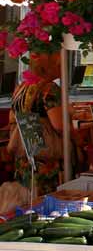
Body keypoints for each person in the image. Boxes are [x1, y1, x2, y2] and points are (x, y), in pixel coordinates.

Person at [7, 53, 65, 194]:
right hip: (46, 158)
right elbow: (59, 125)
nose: (62, 67)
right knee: (46, 198)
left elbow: (13, 117)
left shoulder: (21, 88)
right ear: (50, 66)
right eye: (59, 64)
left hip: (24, 155)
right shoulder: (49, 89)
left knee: (27, 199)